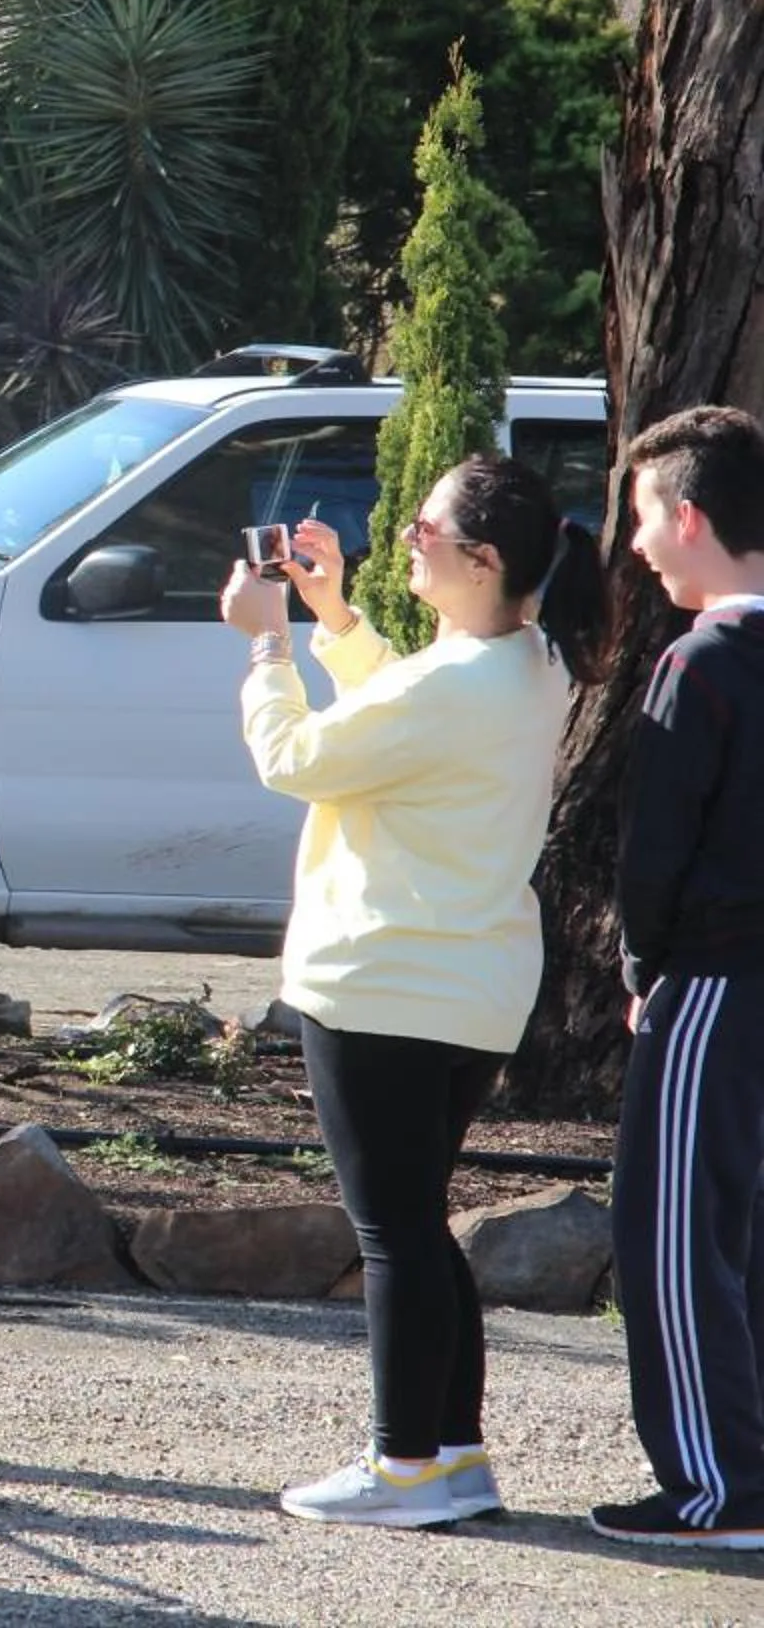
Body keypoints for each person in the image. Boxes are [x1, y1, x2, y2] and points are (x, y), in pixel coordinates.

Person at [220, 455, 604, 1527]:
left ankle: (403, 1466)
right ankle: (453, 1455)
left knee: (393, 1232)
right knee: (418, 1225)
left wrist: (265, 641)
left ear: (482, 560)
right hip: (460, 984)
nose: (404, 539)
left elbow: (294, 755)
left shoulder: (461, 679)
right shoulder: (521, 660)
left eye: (422, 530)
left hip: (384, 979)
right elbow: (404, 714)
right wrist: (332, 615)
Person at [594, 404, 764, 1548]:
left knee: (673, 1231)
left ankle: (718, 1488)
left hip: (714, 980)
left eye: (648, 516)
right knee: (745, 1237)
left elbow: (653, 843)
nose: (641, 543)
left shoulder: (699, 659)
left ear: (691, 514)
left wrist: (639, 963)